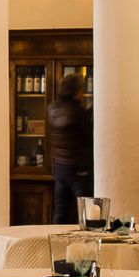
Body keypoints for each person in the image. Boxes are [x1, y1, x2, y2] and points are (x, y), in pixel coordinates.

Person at [48, 74, 92, 220]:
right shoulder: (77, 111)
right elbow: (90, 135)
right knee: (87, 211)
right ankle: (88, 241)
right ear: (75, 91)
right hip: (78, 167)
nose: (83, 93)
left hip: (59, 166)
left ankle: (55, 240)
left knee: (60, 211)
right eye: (81, 89)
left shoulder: (52, 108)